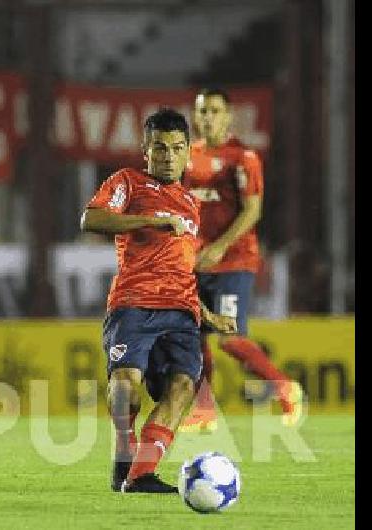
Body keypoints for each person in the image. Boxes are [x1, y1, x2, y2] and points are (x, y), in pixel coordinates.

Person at [81, 108, 236, 494]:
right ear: (145, 150)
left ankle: (140, 475)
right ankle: (122, 454)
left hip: (182, 311)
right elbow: (92, 219)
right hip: (133, 303)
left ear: (187, 154)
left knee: (183, 386)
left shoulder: (191, 204)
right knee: (125, 384)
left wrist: (207, 314)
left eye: (177, 148)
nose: (168, 156)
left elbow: (181, 269)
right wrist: (150, 220)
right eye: (160, 148)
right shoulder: (128, 183)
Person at [180, 88, 302, 432]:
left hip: (234, 260)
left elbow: (253, 211)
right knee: (194, 337)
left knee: (230, 338)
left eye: (215, 111)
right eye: (202, 111)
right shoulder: (187, 156)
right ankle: (204, 410)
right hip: (198, 261)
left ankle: (284, 387)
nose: (207, 118)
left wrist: (220, 246)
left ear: (228, 116)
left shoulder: (243, 157)